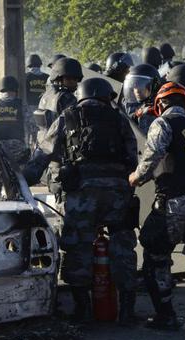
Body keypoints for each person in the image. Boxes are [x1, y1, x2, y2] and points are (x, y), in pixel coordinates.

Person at [25, 78, 139, 324]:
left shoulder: (68, 116)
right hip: (117, 193)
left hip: (81, 193)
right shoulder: (118, 117)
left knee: (77, 247)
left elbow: (44, 151)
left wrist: (25, 180)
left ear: (81, 95)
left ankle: (82, 309)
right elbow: (132, 158)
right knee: (123, 246)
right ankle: (127, 309)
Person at [129, 82, 185, 334]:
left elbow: (153, 155)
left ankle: (165, 315)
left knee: (155, 254)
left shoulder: (163, 124)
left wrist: (135, 177)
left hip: (176, 201)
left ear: (160, 104)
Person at [33, 57, 83, 202]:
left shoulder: (45, 96)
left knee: (59, 198)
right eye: (70, 79)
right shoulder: (67, 98)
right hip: (65, 159)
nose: (75, 83)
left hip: (49, 157)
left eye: (76, 79)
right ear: (59, 78)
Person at [0, 75, 29, 168]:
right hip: (18, 148)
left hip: (0, 148)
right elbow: (31, 125)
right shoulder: (21, 104)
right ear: (15, 90)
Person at [123, 64, 162, 134]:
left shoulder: (159, 108)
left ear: (155, 86)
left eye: (141, 85)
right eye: (134, 86)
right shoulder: (126, 106)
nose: (137, 90)